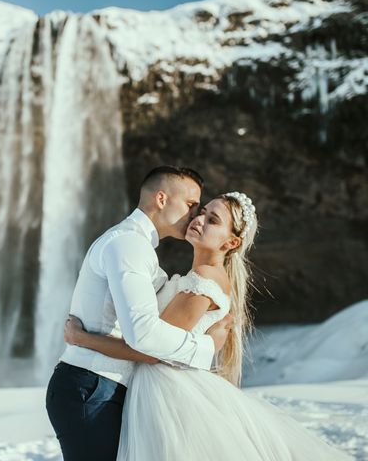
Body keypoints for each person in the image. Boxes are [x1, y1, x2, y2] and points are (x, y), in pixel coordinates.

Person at [64, 192, 351, 460]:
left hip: (163, 393)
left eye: (213, 220)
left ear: (231, 243)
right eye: (202, 212)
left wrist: (82, 338)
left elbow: (149, 349)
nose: (198, 220)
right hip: (158, 387)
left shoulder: (202, 280)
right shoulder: (201, 276)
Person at [45, 166, 233, 461]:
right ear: (161, 199)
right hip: (92, 386)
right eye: (191, 205)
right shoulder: (128, 244)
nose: (195, 216)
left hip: (100, 387)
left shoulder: (137, 246)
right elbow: (142, 333)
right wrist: (206, 348)